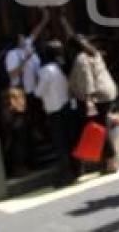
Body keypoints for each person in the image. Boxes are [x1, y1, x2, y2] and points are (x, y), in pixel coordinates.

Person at [63, 16, 119, 173]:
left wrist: (88, 101)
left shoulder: (81, 59)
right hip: (107, 92)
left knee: (100, 127)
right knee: (102, 126)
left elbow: (87, 80)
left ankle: (111, 162)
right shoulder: (93, 53)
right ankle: (107, 160)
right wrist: (63, 21)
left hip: (97, 96)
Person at [2, 7, 49, 176]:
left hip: (33, 93)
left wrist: (45, 17)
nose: (25, 38)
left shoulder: (28, 45)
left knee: (33, 127)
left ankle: (35, 160)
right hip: (20, 95)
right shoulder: (13, 54)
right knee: (20, 131)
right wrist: (26, 60)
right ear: (16, 40)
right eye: (22, 37)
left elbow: (36, 32)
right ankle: (19, 166)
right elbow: (12, 74)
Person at [34, 40, 77, 186]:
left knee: (60, 144)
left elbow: (39, 92)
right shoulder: (62, 66)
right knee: (69, 141)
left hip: (54, 109)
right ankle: (76, 169)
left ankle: (66, 175)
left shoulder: (47, 70)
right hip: (66, 106)